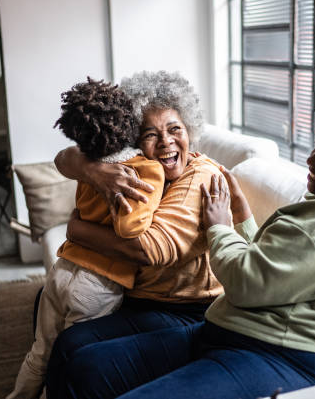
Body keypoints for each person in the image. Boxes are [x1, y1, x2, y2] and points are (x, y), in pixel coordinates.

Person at [47, 71, 315, 399]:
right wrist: (244, 219)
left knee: (88, 366)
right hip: (233, 330)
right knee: (82, 365)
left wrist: (219, 227)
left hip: (283, 353)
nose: (310, 162)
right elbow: (278, 263)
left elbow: (245, 282)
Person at [45, 71, 226, 398]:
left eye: (175, 129)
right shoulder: (135, 167)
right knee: (49, 313)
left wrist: (76, 229)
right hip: (138, 296)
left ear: (190, 131)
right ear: (133, 140)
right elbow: (64, 159)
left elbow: (149, 250)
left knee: (74, 348)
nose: (167, 142)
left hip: (185, 309)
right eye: (150, 134)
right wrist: (92, 169)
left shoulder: (200, 176)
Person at [7, 78, 165, 399]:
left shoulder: (88, 161)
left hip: (63, 269)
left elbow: (66, 163)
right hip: (97, 284)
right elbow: (130, 228)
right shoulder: (145, 169)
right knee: (66, 363)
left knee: (40, 351)